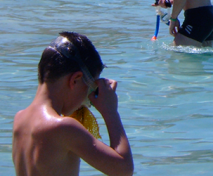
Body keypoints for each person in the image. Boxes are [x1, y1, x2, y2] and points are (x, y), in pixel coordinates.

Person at [12, 32, 134, 176]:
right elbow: (124, 170)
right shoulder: (63, 127)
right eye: (89, 89)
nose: (87, 102)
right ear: (75, 79)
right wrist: (110, 111)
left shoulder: (20, 119)